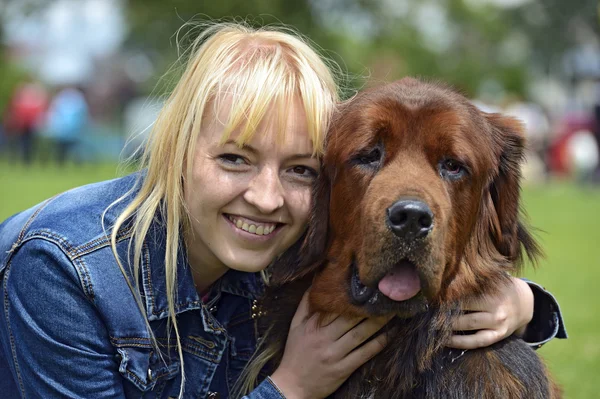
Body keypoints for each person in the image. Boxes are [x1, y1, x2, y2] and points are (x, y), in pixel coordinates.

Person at [0, 22, 565, 399]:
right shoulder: (58, 270)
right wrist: (290, 386)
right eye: (234, 158)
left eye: (299, 169)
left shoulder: (283, 245)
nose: (267, 198)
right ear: (175, 150)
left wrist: (524, 304)